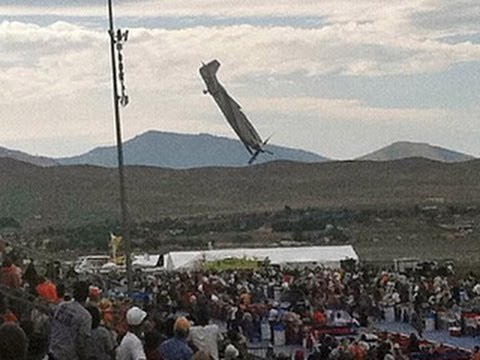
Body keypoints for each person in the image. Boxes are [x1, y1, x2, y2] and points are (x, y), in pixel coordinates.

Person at [48, 281, 92, 360]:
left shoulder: (62, 306)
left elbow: (52, 324)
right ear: (87, 296)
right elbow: (81, 343)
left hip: (52, 351)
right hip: (67, 356)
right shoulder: (85, 316)